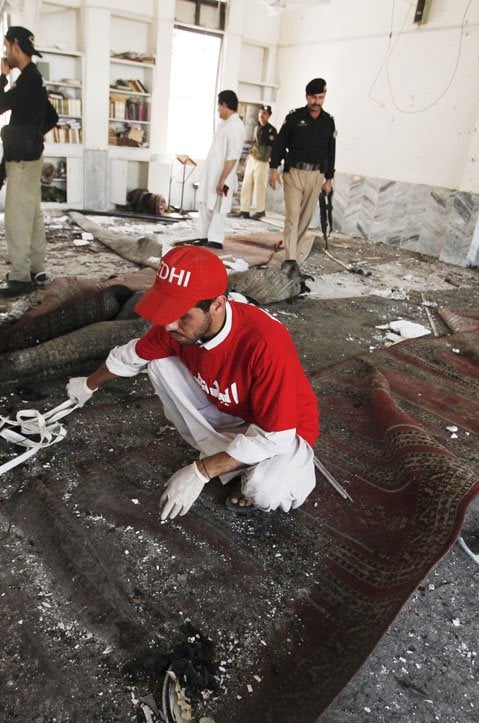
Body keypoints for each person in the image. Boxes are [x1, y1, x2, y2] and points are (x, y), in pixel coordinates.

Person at [65, 245, 320, 520]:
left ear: (218, 305)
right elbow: (130, 356)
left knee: (269, 490)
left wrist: (201, 472)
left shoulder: (266, 344)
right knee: (159, 362)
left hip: (282, 433)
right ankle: (231, 462)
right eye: (167, 312)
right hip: (233, 413)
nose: (169, 326)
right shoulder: (177, 329)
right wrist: (88, 385)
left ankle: (242, 471)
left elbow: (275, 438)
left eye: (183, 315)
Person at [0, 26, 52, 297]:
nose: (6, 53)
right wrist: (35, 133)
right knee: (33, 213)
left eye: (6, 47)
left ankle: (19, 277)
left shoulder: (27, 78)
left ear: (15, 46)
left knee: (17, 216)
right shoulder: (35, 79)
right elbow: (52, 116)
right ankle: (37, 267)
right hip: (32, 155)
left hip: (22, 158)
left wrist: (2, 77)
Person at [269, 78, 336, 271]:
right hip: (294, 173)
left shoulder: (328, 121)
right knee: (293, 216)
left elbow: (331, 151)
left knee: (305, 218)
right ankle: (290, 259)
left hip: (316, 175)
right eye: (313, 98)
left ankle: (292, 254)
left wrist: (328, 179)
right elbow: (280, 144)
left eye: (320, 97)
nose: (317, 102)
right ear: (307, 97)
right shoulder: (294, 118)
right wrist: (274, 168)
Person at [193, 89, 243, 249]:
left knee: (219, 208)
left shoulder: (236, 126)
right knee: (205, 203)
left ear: (224, 105)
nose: (217, 109)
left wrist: (223, 179)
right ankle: (203, 236)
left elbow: (233, 156)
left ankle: (215, 239)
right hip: (212, 173)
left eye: (218, 106)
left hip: (223, 175)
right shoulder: (224, 124)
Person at [239, 104, 275, 220]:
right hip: (253, 158)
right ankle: (244, 209)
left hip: (262, 161)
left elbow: (274, 147)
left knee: (259, 186)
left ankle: (260, 210)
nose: (261, 116)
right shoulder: (257, 127)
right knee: (246, 184)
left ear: (269, 115)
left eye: (264, 114)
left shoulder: (271, 130)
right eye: (260, 113)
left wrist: (274, 165)